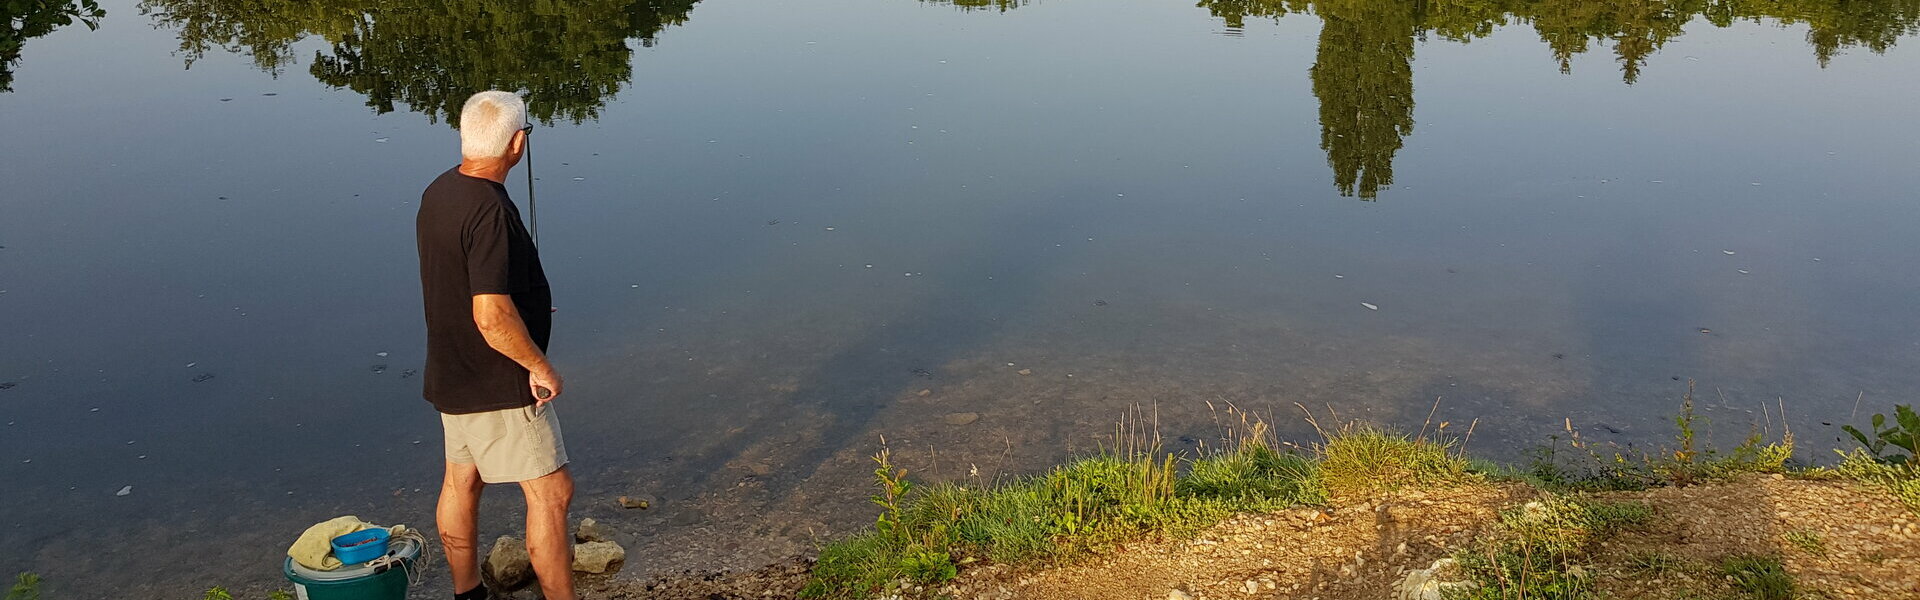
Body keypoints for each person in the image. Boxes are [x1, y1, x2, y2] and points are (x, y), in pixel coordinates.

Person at [416, 90, 573, 600]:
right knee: (551, 492)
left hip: (451, 373)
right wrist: (539, 366)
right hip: (499, 381)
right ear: (518, 143)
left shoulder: (439, 191)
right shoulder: (490, 212)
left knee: (462, 482)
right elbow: (490, 314)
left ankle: (468, 594)